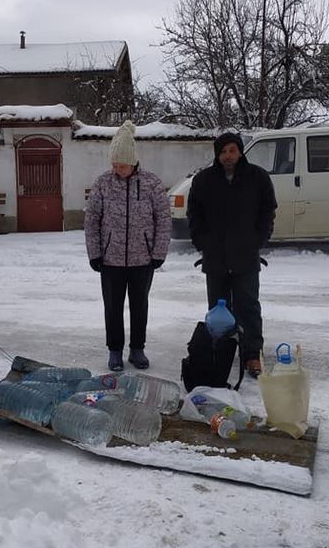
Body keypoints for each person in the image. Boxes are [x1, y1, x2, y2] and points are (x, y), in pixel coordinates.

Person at [187, 132, 277, 378]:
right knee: (218, 311)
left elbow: (268, 209)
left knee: (248, 306)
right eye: (223, 152)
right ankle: (220, 353)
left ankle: (251, 355)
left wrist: (258, 240)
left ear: (240, 152)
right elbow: (194, 213)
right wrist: (201, 242)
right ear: (217, 154)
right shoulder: (204, 180)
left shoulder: (256, 177)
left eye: (232, 151)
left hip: (245, 256)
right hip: (215, 258)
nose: (228, 156)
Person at [85, 120, 171, 372]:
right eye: (114, 164)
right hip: (110, 259)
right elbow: (92, 221)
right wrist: (95, 253)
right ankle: (114, 351)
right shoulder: (103, 183)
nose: (116, 168)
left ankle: (137, 349)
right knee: (112, 308)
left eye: (121, 164)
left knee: (139, 305)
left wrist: (158, 253)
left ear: (132, 162)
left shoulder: (152, 184)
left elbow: (163, 220)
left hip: (142, 260)